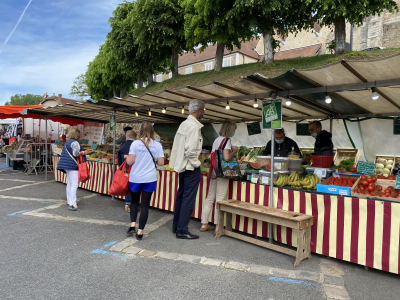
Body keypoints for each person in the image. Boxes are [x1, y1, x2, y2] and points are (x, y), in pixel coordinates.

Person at [169, 99, 205, 240]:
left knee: (181, 196)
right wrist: (196, 164)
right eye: (203, 110)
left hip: (182, 166)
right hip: (190, 166)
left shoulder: (183, 124)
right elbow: (190, 150)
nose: (203, 113)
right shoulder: (194, 126)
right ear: (198, 110)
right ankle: (182, 230)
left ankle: (176, 225)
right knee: (188, 199)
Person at [125, 122, 164, 240]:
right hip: (150, 178)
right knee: (145, 205)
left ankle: (132, 226)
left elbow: (130, 162)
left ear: (140, 130)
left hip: (135, 178)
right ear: (152, 131)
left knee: (134, 201)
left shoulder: (135, 143)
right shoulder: (157, 145)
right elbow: (161, 163)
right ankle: (140, 232)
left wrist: (127, 157)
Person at [200, 121, 238, 234]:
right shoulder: (227, 140)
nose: (234, 132)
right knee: (220, 198)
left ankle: (204, 224)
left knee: (210, 197)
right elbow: (226, 158)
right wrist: (234, 151)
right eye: (234, 130)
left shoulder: (216, 139)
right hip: (222, 172)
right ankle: (218, 227)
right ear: (230, 130)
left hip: (214, 171)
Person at [57, 128, 87, 211]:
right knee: (74, 184)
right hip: (73, 165)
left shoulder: (67, 142)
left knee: (70, 184)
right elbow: (76, 153)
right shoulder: (75, 142)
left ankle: (70, 201)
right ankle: (73, 204)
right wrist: (84, 153)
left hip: (67, 165)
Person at [117, 130, 137, 212]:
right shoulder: (135, 145)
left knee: (126, 185)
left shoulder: (122, 146)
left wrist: (121, 169)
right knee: (133, 186)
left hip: (125, 169)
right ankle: (133, 203)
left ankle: (127, 203)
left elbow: (119, 160)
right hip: (134, 168)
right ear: (133, 137)